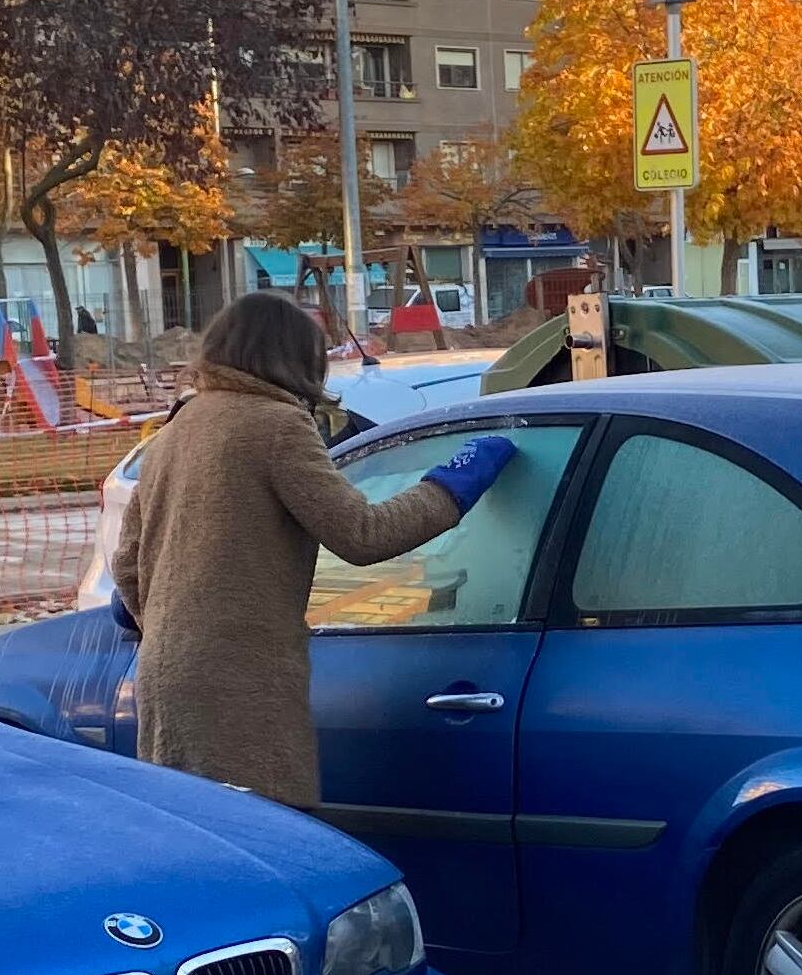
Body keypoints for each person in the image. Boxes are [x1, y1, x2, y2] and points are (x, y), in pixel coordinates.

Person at [114, 291, 512, 808]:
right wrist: (453, 485)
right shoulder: (275, 425)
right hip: (240, 680)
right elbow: (364, 535)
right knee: (269, 835)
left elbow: (127, 559)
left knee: (202, 835)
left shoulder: (177, 429)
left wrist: (172, 618)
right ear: (295, 358)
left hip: (164, 673)